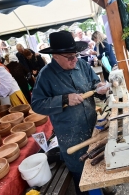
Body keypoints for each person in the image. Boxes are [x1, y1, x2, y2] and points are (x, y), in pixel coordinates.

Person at [31, 31, 109, 195]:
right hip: (71, 135)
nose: (74, 59)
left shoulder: (82, 65)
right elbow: (37, 105)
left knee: (98, 164)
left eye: (75, 55)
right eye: (69, 57)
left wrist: (100, 89)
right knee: (82, 175)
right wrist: (64, 99)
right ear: (56, 56)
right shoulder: (46, 75)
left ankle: (103, 189)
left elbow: (95, 84)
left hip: (93, 127)